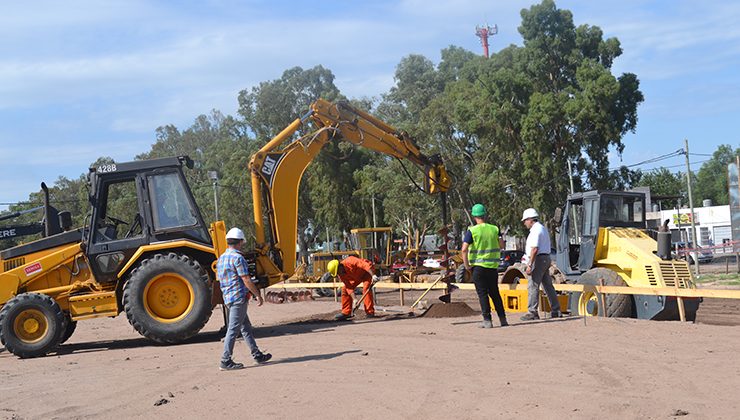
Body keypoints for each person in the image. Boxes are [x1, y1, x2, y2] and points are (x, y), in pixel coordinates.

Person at [217, 227, 272, 371]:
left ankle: (257, 354)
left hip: (228, 298)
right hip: (238, 299)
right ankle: (225, 360)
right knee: (233, 329)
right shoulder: (238, 258)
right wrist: (257, 294)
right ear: (240, 242)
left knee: (246, 327)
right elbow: (246, 279)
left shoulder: (221, 258)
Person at [461, 203, 508, 329]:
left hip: (478, 268)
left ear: (474, 216)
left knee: (482, 294)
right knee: (495, 293)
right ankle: (503, 319)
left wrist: (467, 266)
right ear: (484, 214)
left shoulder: (472, 231)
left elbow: (464, 249)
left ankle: (487, 321)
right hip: (492, 267)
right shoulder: (494, 229)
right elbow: (502, 245)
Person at [520, 208, 561, 321]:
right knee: (547, 285)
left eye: (525, 221)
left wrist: (529, 264)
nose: (524, 223)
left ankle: (532, 312)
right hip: (545, 258)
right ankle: (556, 309)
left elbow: (534, 249)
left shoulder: (535, 230)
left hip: (538, 259)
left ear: (530, 219)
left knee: (533, 285)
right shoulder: (542, 228)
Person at [327, 256, 377, 320]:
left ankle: (369, 312)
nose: (338, 274)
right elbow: (348, 287)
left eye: (338, 272)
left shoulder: (350, 260)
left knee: (366, 288)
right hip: (356, 276)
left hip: (367, 272)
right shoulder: (341, 274)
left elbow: (365, 265)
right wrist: (354, 299)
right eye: (337, 273)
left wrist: (373, 275)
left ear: (340, 266)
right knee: (344, 290)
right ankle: (346, 312)